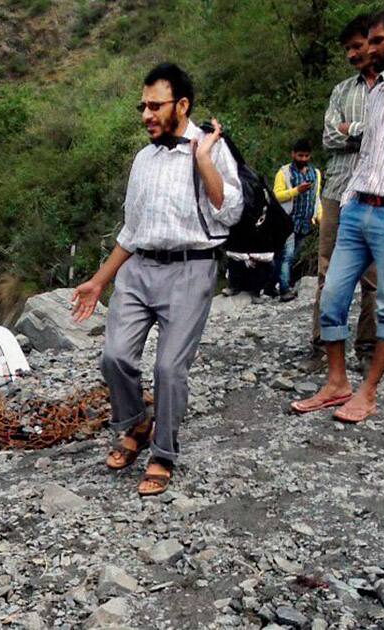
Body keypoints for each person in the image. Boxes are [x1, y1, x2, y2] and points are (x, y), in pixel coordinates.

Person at [71, 63, 243, 496]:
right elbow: (131, 231)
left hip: (191, 268)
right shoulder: (143, 159)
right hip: (139, 270)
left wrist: (203, 159)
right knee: (113, 357)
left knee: (169, 368)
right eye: (142, 106)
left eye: (155, 106)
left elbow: (230, 211)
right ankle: (136, 424)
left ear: (181, 105)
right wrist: (98, 282)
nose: (146, 114)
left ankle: (163, 451)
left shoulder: (211, 148)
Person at [293, 7, 384, 424]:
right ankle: (337, 382)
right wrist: (348, 197)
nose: (369, 50)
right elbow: (367, 152)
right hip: (357, 206)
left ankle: (368, 391)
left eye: (378, 41)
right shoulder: (379, 92)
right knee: (331, 296)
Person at [307, 13, 384, 371]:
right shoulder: (341, 90)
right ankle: (321, 345)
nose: (352, 54)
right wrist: (367, 133)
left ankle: (367, 348)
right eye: (347, 49)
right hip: (338, 190)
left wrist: (352, 130)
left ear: (372, 43)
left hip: (377, 191)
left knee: (373, 277)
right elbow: (328, 137)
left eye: (357, 46)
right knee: (327, 271)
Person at [271, 138, 323, 301]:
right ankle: (285, 290)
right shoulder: (284, 173)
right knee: (287, 255)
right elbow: (276, 196)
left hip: (305, 222)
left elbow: (316, 198)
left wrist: (320, 217)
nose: (303, 159)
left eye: (306, 156)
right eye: (300, 155)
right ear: (293, 154)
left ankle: (270, 285)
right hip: (286, 222)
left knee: (288, 256)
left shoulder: (315, 174)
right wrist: (296, 191)